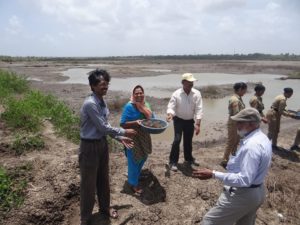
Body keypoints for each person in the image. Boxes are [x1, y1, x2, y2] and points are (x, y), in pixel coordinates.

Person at [193, 108, 272, 225]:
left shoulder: (252, 146)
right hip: (257, 192)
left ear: (251, 123)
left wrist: (213, 174)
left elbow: (244, 179)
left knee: (208, 222)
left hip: (243, 195)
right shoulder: (262, 138)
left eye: (240, 122)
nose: (237, 125)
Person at [79, 69, 136, 225]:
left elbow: (104, 128)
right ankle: (85, 218)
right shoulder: (90, 104)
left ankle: (105, 208)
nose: (105, 87)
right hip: (89, 147)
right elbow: (103, 127)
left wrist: (119, 138)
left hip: (101, 144)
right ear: (92, 86)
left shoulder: (101, 101)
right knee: (88, 185)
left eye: (106, 84)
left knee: (103, 180)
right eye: (101, 84)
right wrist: (124, 131)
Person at [120, 85, 153, 194]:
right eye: (136, 93)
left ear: (143, 94)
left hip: (144, 136)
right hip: (132, 136)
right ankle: (133, 184)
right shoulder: (129, 107)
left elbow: (152, 118)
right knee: (134, 160)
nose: (139, 95)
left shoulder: (146, 104)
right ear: (133, 95)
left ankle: (136, 175)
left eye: (141, 93)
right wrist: (135, 122)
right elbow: (122, 124)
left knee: (143, 156)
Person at [166, 73, 203, 171]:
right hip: (178, 120)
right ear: (183, 82)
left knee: (188, 141)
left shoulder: (197, 93)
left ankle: (189, 159)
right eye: (189, 82)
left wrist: (198, 124)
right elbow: (171, 106)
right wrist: (170, 114)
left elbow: (199, 109)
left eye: (192, 82)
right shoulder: (176, 93)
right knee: (177, 140)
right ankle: (172, 161)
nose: (191, 83)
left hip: (190, 121)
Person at [220, 82, 247, 169]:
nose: (245, 92)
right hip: (234, 123)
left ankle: (233, 157)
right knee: (231, 142)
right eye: (244, 90)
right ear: (239, 89)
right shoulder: (235, 99)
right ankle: (224, 161)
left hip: (238, 123)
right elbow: (237, 113)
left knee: (236, 141)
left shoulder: (238, 98)